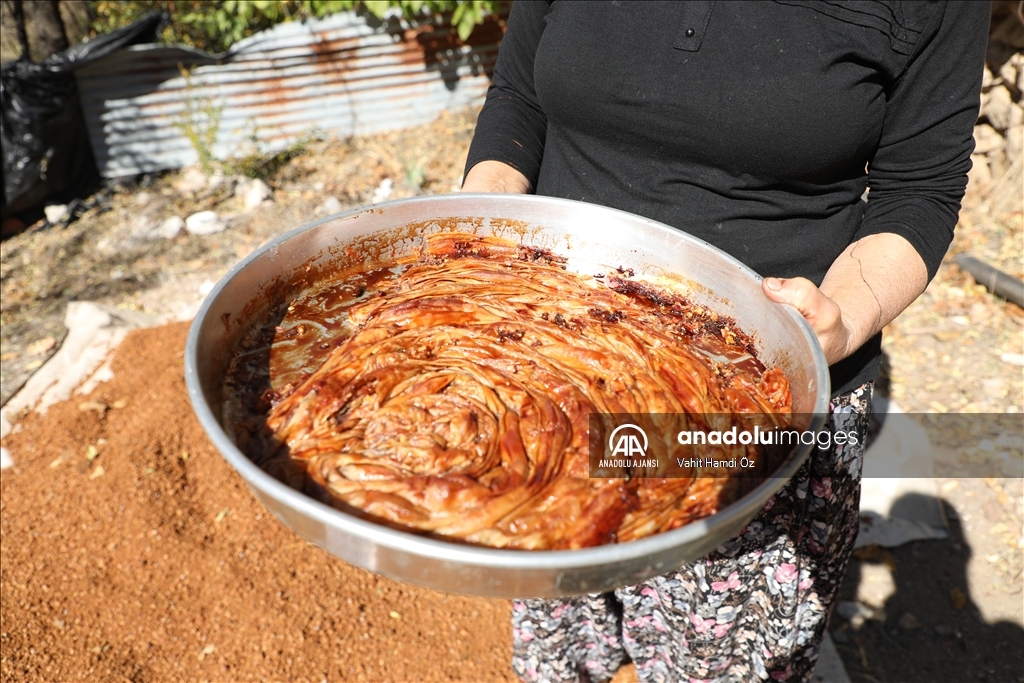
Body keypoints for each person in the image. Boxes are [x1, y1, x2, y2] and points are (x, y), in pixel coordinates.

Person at [461, 2, 989, 682]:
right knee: (564, 644)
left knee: (716, 665)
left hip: (754, 403)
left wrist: (842, 320)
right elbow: (519, 99)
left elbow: (919, 190)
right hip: (551, 373)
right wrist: (480, 230)